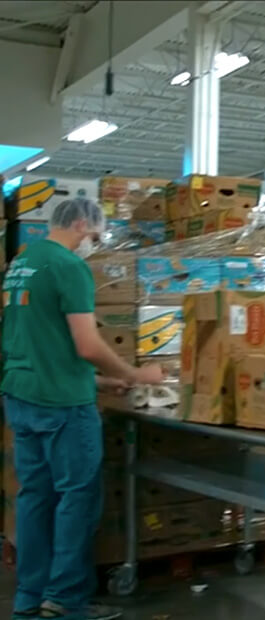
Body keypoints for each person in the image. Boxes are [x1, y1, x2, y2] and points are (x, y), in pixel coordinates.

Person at [2, 198, 165, 620]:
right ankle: (65, 601)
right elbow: (87, 345)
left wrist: (100, 380)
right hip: (62, 407)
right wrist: (137, 373)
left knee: (35, 497)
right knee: (77, 499)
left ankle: (29, 597)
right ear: (80, 223)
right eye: (95, 235)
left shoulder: (22, 264)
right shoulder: (70, 267)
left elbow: (38, 343)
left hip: (21, 396)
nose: (95, 243)